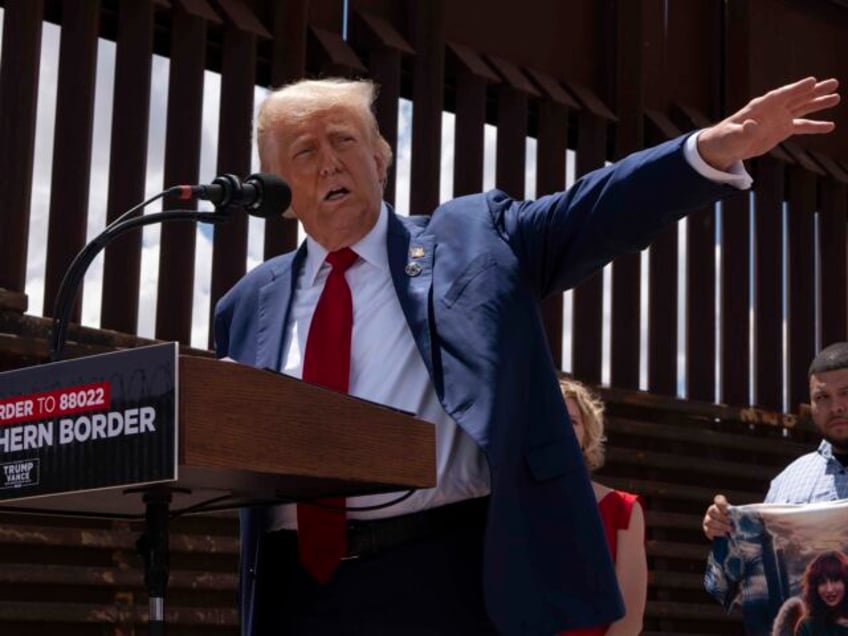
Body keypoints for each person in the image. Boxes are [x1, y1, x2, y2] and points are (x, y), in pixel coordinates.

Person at [214, 75, 840, 636]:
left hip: (443, 573)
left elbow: (593, 211)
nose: (329, 164)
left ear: (381, 159)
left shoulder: (473, 240)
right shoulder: (246, 306)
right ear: (277, 191)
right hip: (296, 591)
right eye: (304, 152)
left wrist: (708, 151)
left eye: (344, 142)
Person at [703, 341, 848, 540]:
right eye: (822, 397)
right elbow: (764, 559)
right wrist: (725, 528)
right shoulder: (787, 482)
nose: (836, 407)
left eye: (846, 393)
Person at [558, 378, 647, 636]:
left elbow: (629, 621)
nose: (562, 427)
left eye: (573, 421)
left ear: (587, 434)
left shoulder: (623, 509)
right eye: (552, 417)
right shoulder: (510, 503)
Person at [794, 551, 848, 635]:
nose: (829, 589)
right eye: (822, 582)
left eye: (835, 580)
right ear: (815, 587)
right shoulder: (807, 626)